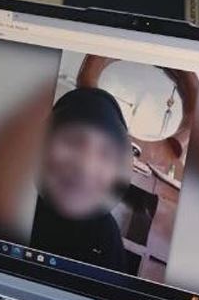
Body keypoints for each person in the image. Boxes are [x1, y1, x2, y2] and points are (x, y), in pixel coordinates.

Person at [29, 86, 130, 273]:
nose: (86, 166)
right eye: (73, 141)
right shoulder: (11, 199)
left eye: (105, 153)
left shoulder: (107, 234)